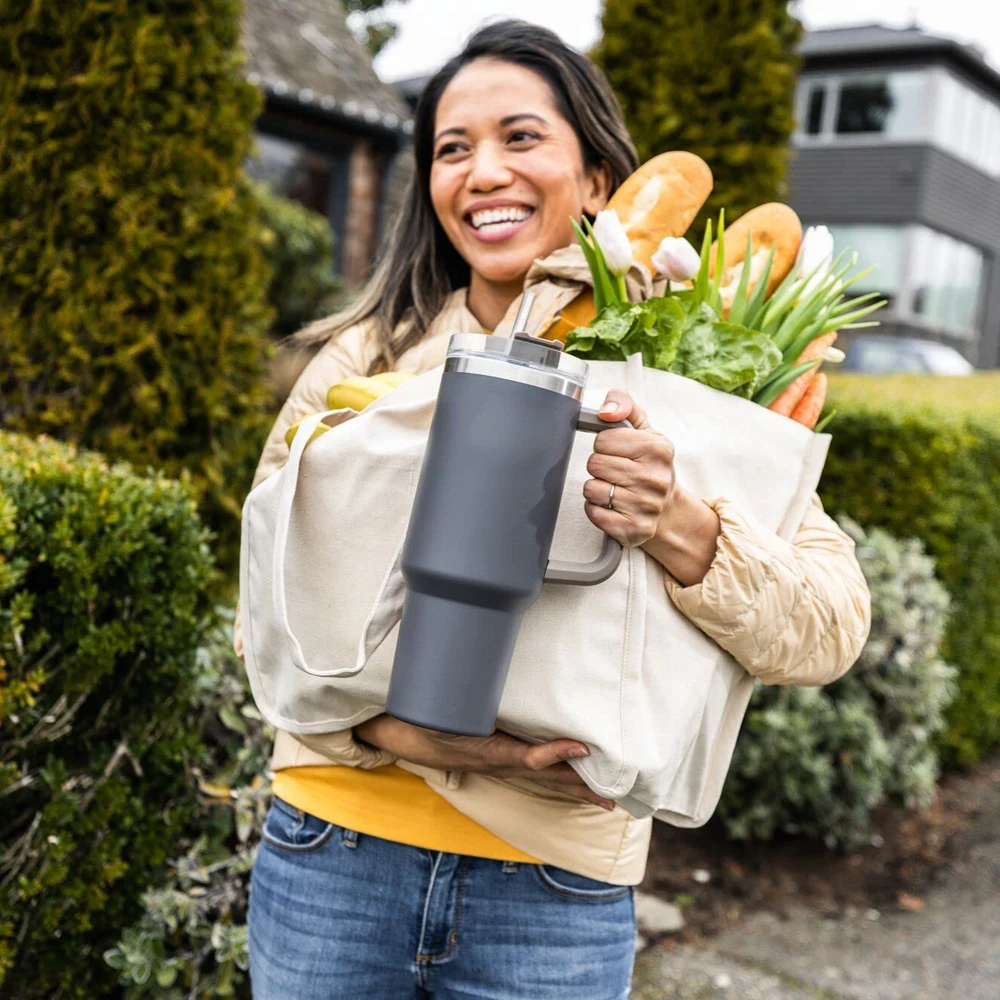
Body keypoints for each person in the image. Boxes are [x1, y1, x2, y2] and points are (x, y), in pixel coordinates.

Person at [240, 20, 871, 1000]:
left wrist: (679, 524)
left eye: (521, 137)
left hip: (555, 888)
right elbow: (264, 616)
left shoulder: (683, 373)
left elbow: (830, 625)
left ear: (595, 180)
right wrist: (405, 735)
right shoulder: (365, 361)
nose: (483, 170)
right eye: (452, 149)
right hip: (335, 850)